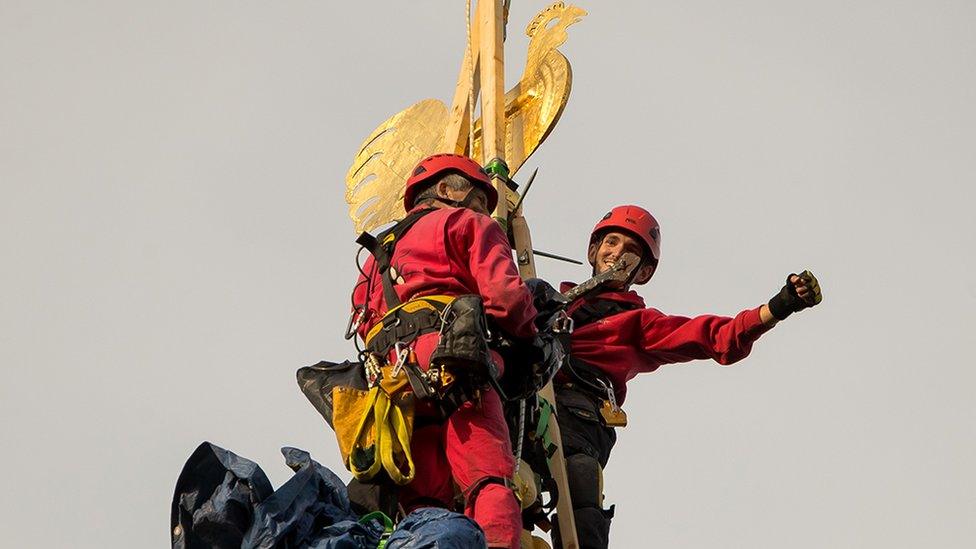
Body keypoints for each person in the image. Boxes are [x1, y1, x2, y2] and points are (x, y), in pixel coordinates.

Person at [551, 205, 823, 549]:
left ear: (645, 271)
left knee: (580, 478)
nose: (617, 252)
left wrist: (780, 305)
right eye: (612, 242)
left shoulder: (640, 324)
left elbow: (713, 335)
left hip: (580, 413)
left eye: (631, 251)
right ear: (593, 250)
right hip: (525, 391)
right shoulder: (547, 301)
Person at [350, 153, 538, 549]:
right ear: (445, 190)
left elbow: (363, 323)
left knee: (424, 499)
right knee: (489, 477)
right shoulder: (466, 223)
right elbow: (506, 299)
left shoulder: (375, 256)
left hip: (392, 382)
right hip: (456, 361)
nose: (482, 210)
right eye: (477, 199)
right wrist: (531, 333)